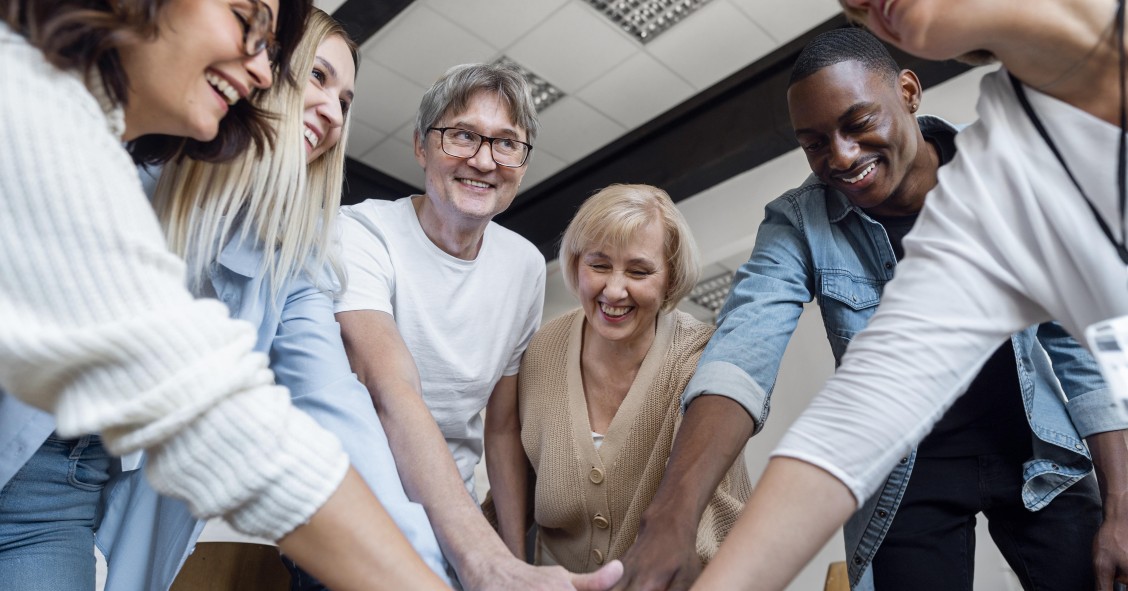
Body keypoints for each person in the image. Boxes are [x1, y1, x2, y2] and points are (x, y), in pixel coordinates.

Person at [614, 26, 1118, 591]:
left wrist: (1123, 505)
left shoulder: (1006, 168)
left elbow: (1079, 341)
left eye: (857, 124)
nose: (842, 156)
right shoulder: (798, 224)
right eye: (815, 143)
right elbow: (739, 357)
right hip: (908, 475)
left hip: (1035, 450)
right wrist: (671, 519)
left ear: (908, 91)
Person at [0, 2, 445, 589]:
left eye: (346, 100)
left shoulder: (291, 260)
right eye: (246, 19)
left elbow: (336, 414)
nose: (260, 68)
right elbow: (216, 417)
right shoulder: (48, 120)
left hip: (60, 490)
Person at [334, 62, 622, 591]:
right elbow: (391, 393)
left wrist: (513, 560)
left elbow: (502, 425)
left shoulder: (525, 265)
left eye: (506, 144)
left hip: (459, 527)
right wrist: (485, 560)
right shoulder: (360, 233)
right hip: (355, 513)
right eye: (462, 135)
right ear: (421, 146)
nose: (483, 161)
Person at [487, 184, 751, 574]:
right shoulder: (541, 351)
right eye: (598, 265)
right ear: (576, 264)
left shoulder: (700, 359)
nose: (613, 290)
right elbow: (515, 478)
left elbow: (713, 519)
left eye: (639, 271)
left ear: (670, 279)